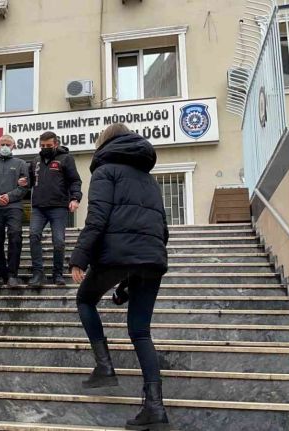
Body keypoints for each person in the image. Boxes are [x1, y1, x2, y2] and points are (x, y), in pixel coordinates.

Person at [69, 123, 170, 431]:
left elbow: (97, 217)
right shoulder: (149, 179)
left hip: (117, 253)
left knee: (85, 299)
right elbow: (161, 227)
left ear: (104, 143)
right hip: (151, 256)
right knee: (140, 332)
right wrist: (129, 281)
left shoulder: (105, 171)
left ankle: (104, 366)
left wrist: (79, 258)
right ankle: (155, 409)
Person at [27, 131, 82, 287]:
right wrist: (24, 182)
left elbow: (75, 181)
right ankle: (38, 274)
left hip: (58, 207)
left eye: (48, 146)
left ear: (56, 144)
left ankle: (57, 274)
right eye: (42, 145)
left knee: (58, 241)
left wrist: (75, 198)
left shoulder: (66, 158)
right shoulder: (35, 161)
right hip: (38, 207)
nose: (45, 148)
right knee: (33, 236)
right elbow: (30, 181)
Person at [0, 135, 29, 288]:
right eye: (2, 144)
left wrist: (9, 196)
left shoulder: (21, 164)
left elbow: (24, 186)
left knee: (15, 236)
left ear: (13, 146)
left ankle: (12, 274)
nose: (5, 146)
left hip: (14, 207)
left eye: (8, 144)